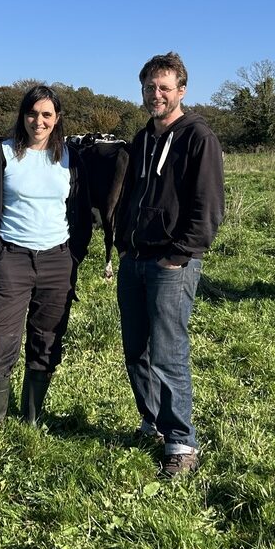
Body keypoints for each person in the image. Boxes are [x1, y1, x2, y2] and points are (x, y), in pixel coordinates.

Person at [0, 84, 92, 454]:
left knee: (47, 339)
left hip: (57, 260)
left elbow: (81, 212)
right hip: (13, 259)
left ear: (57, 119)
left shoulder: (70, 157)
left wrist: (74, 255)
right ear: (23, 116)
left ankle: (32, 417)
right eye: (33, 114)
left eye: (47, 115)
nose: (39, 121)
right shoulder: (2, 154)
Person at [115, 52, 225, 478]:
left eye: (164, 87)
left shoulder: (198, 137)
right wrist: (124, 242)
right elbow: (130, 196)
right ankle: (154, 423)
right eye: (149, 87)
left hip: (170, 264)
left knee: (168, 352)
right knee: (135, 350)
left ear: (181, 90)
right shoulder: (142, 138)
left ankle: (181, 442)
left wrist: (180, 254)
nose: (155, 94)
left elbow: (209, 205)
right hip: (136, 258)